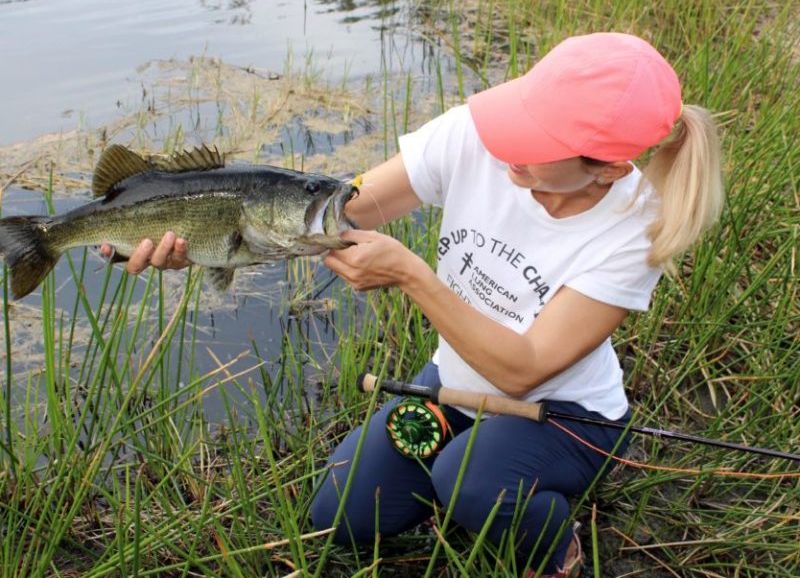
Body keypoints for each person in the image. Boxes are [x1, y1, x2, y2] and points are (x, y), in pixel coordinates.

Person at [108, 32, 724, 577]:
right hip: (452, 383)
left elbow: (524, 367)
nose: (508, 143)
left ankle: (552, 546)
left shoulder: (637, 229)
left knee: (472, 481)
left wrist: (411, 274)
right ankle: (468, 491)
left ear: (609, 168)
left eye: (537, 139)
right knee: (339, 515)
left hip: (562, 415)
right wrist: (210, 239)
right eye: (521, 116)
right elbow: (340, 212)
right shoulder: (476, 136)